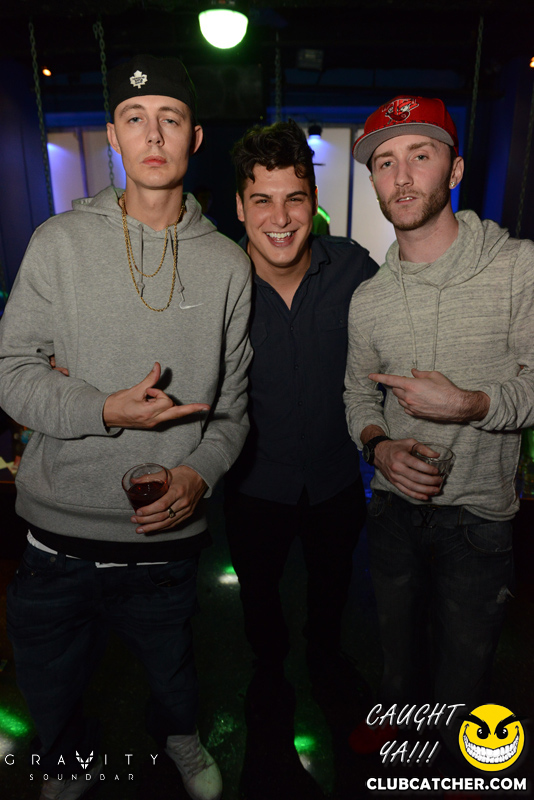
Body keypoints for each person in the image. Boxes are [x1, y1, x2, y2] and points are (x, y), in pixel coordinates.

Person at [0, 55, 252, 800]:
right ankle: (67, 760)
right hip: (57, 534)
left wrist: (198, 472)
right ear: (112, 135)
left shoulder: (228, 265)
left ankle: (179, 738)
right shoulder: (58, 241)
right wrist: (103, 409)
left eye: (171, 118)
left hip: (165, 537)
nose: (154, 134)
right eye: (135, 119)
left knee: (174, 672)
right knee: (51, 681)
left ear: (195, 137)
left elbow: (234, 408)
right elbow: (11, 372)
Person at [344, 95, 534, 757]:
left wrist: (471, 405)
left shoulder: (518, 268)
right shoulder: (368, 299)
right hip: (393, 509)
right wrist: (379, 446)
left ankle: (457, 758)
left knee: (466, 661)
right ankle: (399, 717)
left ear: (454, 171)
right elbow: (356, 396)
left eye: (420, 156)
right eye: (384, 162)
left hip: (480, 517)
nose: (401, 176)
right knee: (395, 645)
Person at [225, 120, 378, 715]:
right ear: (240, 207)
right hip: (253, 485)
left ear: (314, 202)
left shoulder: (354, 270)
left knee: (333, 588)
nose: (280, 217)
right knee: (259, 597)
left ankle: (325, 658)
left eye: (294, 198)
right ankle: (268, 671)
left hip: (336, 480)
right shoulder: (217, 283)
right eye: (262, 200)